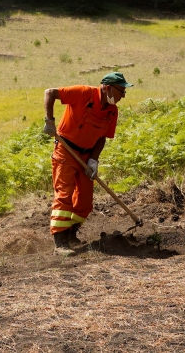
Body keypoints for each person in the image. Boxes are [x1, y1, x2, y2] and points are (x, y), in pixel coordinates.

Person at [43, 72, 132, 256]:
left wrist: (93, 160)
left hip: (86, 156)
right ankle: (60, 244)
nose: (123, 96)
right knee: (64, 195)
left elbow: (103, 137)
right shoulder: (83, 93)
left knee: (85, 202)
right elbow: (50, 93)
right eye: (121, 91)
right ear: (108, 88)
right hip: (65, 151)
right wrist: (49, 121)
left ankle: (71, 234)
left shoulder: (112, 111)